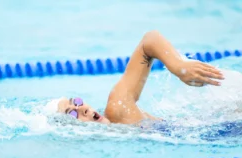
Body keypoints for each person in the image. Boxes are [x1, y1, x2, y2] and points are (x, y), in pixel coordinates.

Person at [55, 30, 224, 125]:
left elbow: (149, 40)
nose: (82, 109)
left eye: (76, 102)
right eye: (72, 114)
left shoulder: (117, 109)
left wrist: (178, 66)